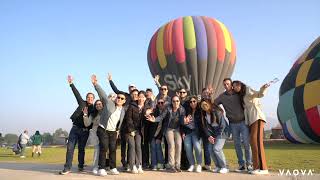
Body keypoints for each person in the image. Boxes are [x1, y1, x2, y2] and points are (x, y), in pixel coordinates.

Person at [215, 78, 253, 172]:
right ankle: (241, 165)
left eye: (228, 84)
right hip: (232, 124)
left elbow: (248, 95)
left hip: (243, 122)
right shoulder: (222, 96)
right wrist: (220, 110)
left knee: (246, 144)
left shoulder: (238, 93)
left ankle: (249, 164)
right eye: (224, 84)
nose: (226, 86)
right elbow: (214, 103)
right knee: (237, 145)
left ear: (231, 84)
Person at [232, 80, 270, 175]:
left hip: (257, 117)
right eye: (233, 86)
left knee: (256, 141)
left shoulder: (247, 89)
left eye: (235, 85)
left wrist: (264, 88)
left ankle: (263, 168)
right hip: (251, 120)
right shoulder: (242, 95)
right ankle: (256, 167)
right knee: (253, 142)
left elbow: (259, 94)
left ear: (240, 85)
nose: (234, 88)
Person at [92, 75, 126, 176]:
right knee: (104, 147)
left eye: (121, 98)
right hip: (103, 129)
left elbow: (120, 122)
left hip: (113, 132)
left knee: (113, 149)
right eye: (118, 97)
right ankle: (101, 168)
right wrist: (95, 84)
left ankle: (113, 168)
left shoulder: (123, 111)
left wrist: (118, 130)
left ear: (124, 101)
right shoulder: (109, 103)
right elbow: (102, 94)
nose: (119, 99)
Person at [60, 75, 94, 175]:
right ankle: (67, 168)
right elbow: (76, 93)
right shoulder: (82, 103)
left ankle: (80, 165)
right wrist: (71, 84)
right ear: (86, 98)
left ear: (93, 99)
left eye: (92, 97)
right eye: (88, 97)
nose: (90, 98)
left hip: (85, 131)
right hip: (75, 129)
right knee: (70, 148)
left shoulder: (94, 109)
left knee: (81, 149)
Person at [147, 96, 184, 173]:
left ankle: (177, 165)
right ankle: (171, 166)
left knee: (179, 145)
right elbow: (161, 117)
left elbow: (182, 121)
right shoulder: (168, 108)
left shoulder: (182, 109)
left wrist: (185, 121)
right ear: (172, 102)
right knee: (171, 145)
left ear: (179, 102)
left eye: (177, 101)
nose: (175, 102)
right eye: (174, 101)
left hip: (177, 129)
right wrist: (154, 120)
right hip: (168, 129)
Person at [201, 99, 229, 174]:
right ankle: (218, 166)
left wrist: (217, 136)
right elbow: (205, 127)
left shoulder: (216, 111)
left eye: (206, 104)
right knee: (210, 149)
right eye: (202, 105)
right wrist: (209, 136)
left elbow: (222, 125)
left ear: (209, 104)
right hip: (213, 133)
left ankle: (224, 167)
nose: (204, 106)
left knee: (216, 148)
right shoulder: (204, 115)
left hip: (222, 132)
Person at [123, 91, 147, 174]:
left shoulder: (146, 108)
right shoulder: (132, 106)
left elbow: (145, 121)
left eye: (143, 97)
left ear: (145, 98)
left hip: (139, 131)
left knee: (138, 146)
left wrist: (148, 115)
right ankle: (132, 165)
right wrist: (131, 130)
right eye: (139, 96)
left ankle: (139, 165)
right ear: (138, 97)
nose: (141, 98)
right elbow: (128, 119)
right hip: (129, 130)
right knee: (132, 146)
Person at [182, 96, 203, 173]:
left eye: (194, 101)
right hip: (188, 132)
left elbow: (202, 124)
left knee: (197, 147)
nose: (192, 103)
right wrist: (183, 132)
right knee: (188, 149)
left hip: (196, 132)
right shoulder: (187, 111)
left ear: (197, 102)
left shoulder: (200, 111)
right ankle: (192, 164)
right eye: (191, 102)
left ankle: (199, 164)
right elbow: (183, 122)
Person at [83, 97, 104, 175]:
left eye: (100, 104)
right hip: (95, 133)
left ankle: (103, 166)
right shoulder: (93, 114)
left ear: (102, 105)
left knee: (104, 150)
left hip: (105, 133)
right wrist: (85, 115)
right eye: (96, 104)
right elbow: (87, 124)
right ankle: (95, 167)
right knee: (97, 150)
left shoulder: (106, 113)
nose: (98, 105)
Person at [146, 98, 165, 171]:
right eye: (159, 103)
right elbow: (148, 119)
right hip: (152, 134)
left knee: (158, 148)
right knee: (152, 148)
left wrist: (159, 137)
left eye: (162, 103)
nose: (160, 104)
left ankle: (160, 164)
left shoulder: (166, 112)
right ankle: (154, 164)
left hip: (159, 134)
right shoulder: (154, 111)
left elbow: (164, 126)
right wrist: (148, 113)